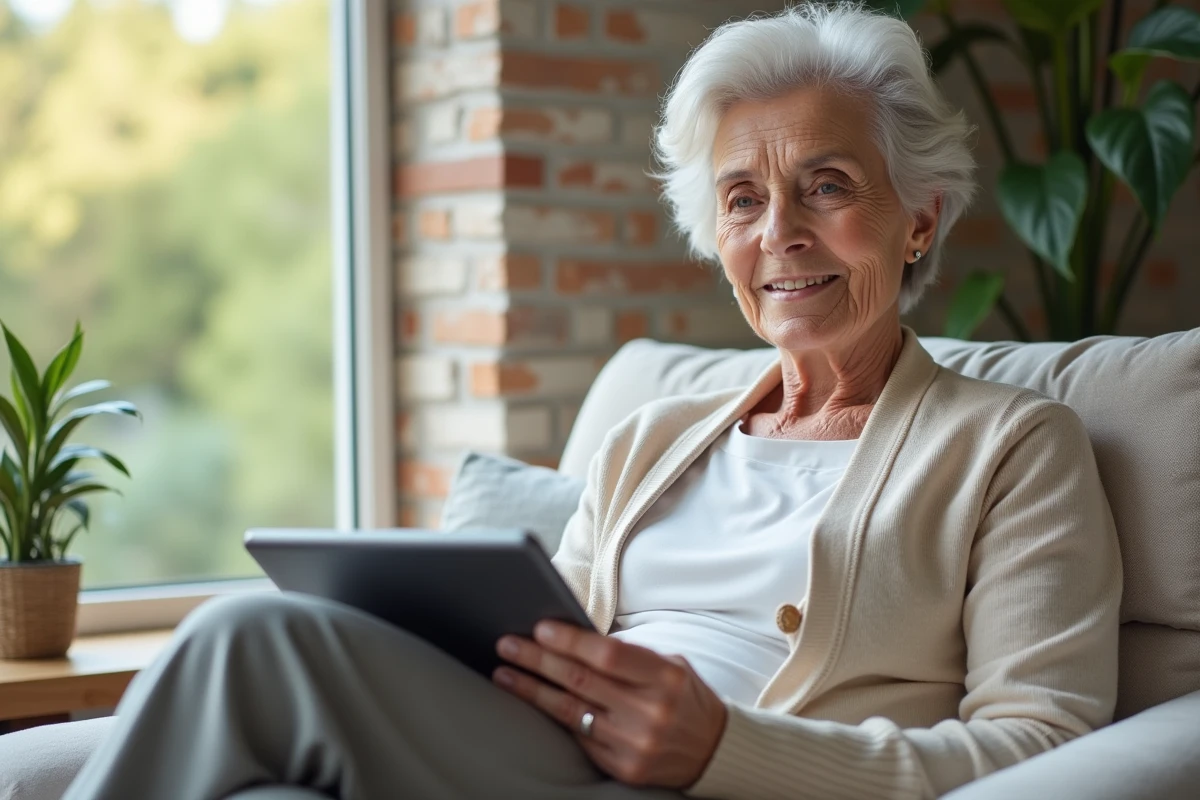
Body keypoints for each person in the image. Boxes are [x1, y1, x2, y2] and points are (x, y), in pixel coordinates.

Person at [63, 4, 1121, 799]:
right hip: (550, 754)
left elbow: (1043, 743)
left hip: (723, 782)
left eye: (829, 185)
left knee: (249, 635)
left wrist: (726, 748)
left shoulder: (1012, 447)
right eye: (742, 199)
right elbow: (540, 644)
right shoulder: (649, 437)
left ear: (920, 218)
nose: (779, 233)